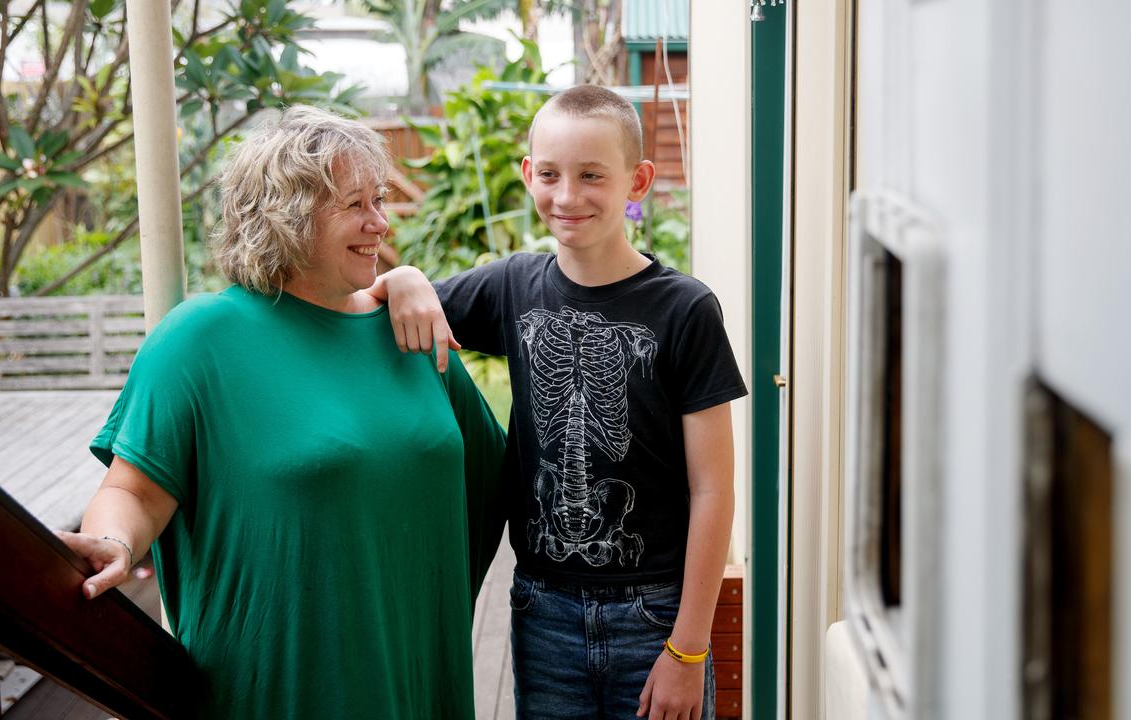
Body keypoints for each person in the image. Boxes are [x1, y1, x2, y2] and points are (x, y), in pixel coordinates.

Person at [55, 105, 506, 719]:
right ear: (286, 217)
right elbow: (134, 490)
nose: (380, 222)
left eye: (379, 200)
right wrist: (113, 542)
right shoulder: (200, 341)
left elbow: (496, 480)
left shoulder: (411, 334)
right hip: (277, 692)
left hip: (417, 682)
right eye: (355, 205)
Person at [372, 85, 747, 720]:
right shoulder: (511, 287)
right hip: (543, 610)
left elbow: (713, 488)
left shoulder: (685, 310)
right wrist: (404, 277)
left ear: (639, 181)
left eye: (592, 176)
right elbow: (382, 308)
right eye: (549, 174)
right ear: (528, 175)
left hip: (654, 612)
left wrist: (688, 649)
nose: (567, 196)